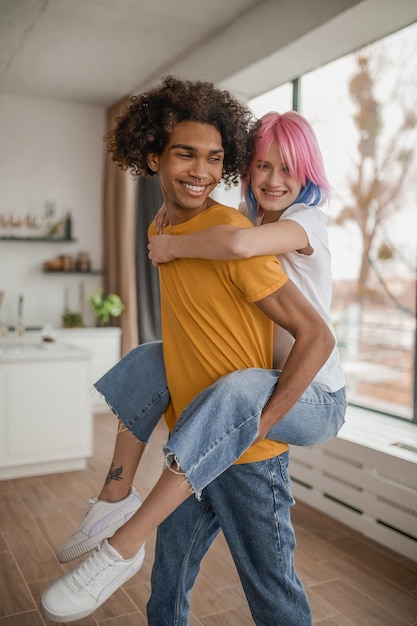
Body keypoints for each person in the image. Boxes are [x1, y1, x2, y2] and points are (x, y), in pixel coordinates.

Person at [41, 76, 337, 625]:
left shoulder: (240, 232)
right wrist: (171, 241)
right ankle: (114, 499)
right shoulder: (177, 229)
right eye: (185, 155)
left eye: (213, 158)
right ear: (153, 157)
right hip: (197, 436)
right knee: (168, 584)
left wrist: (260, 424)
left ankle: (121, 545)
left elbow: (310, 327)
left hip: (258, 437)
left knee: (273, 598)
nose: (201, 171)